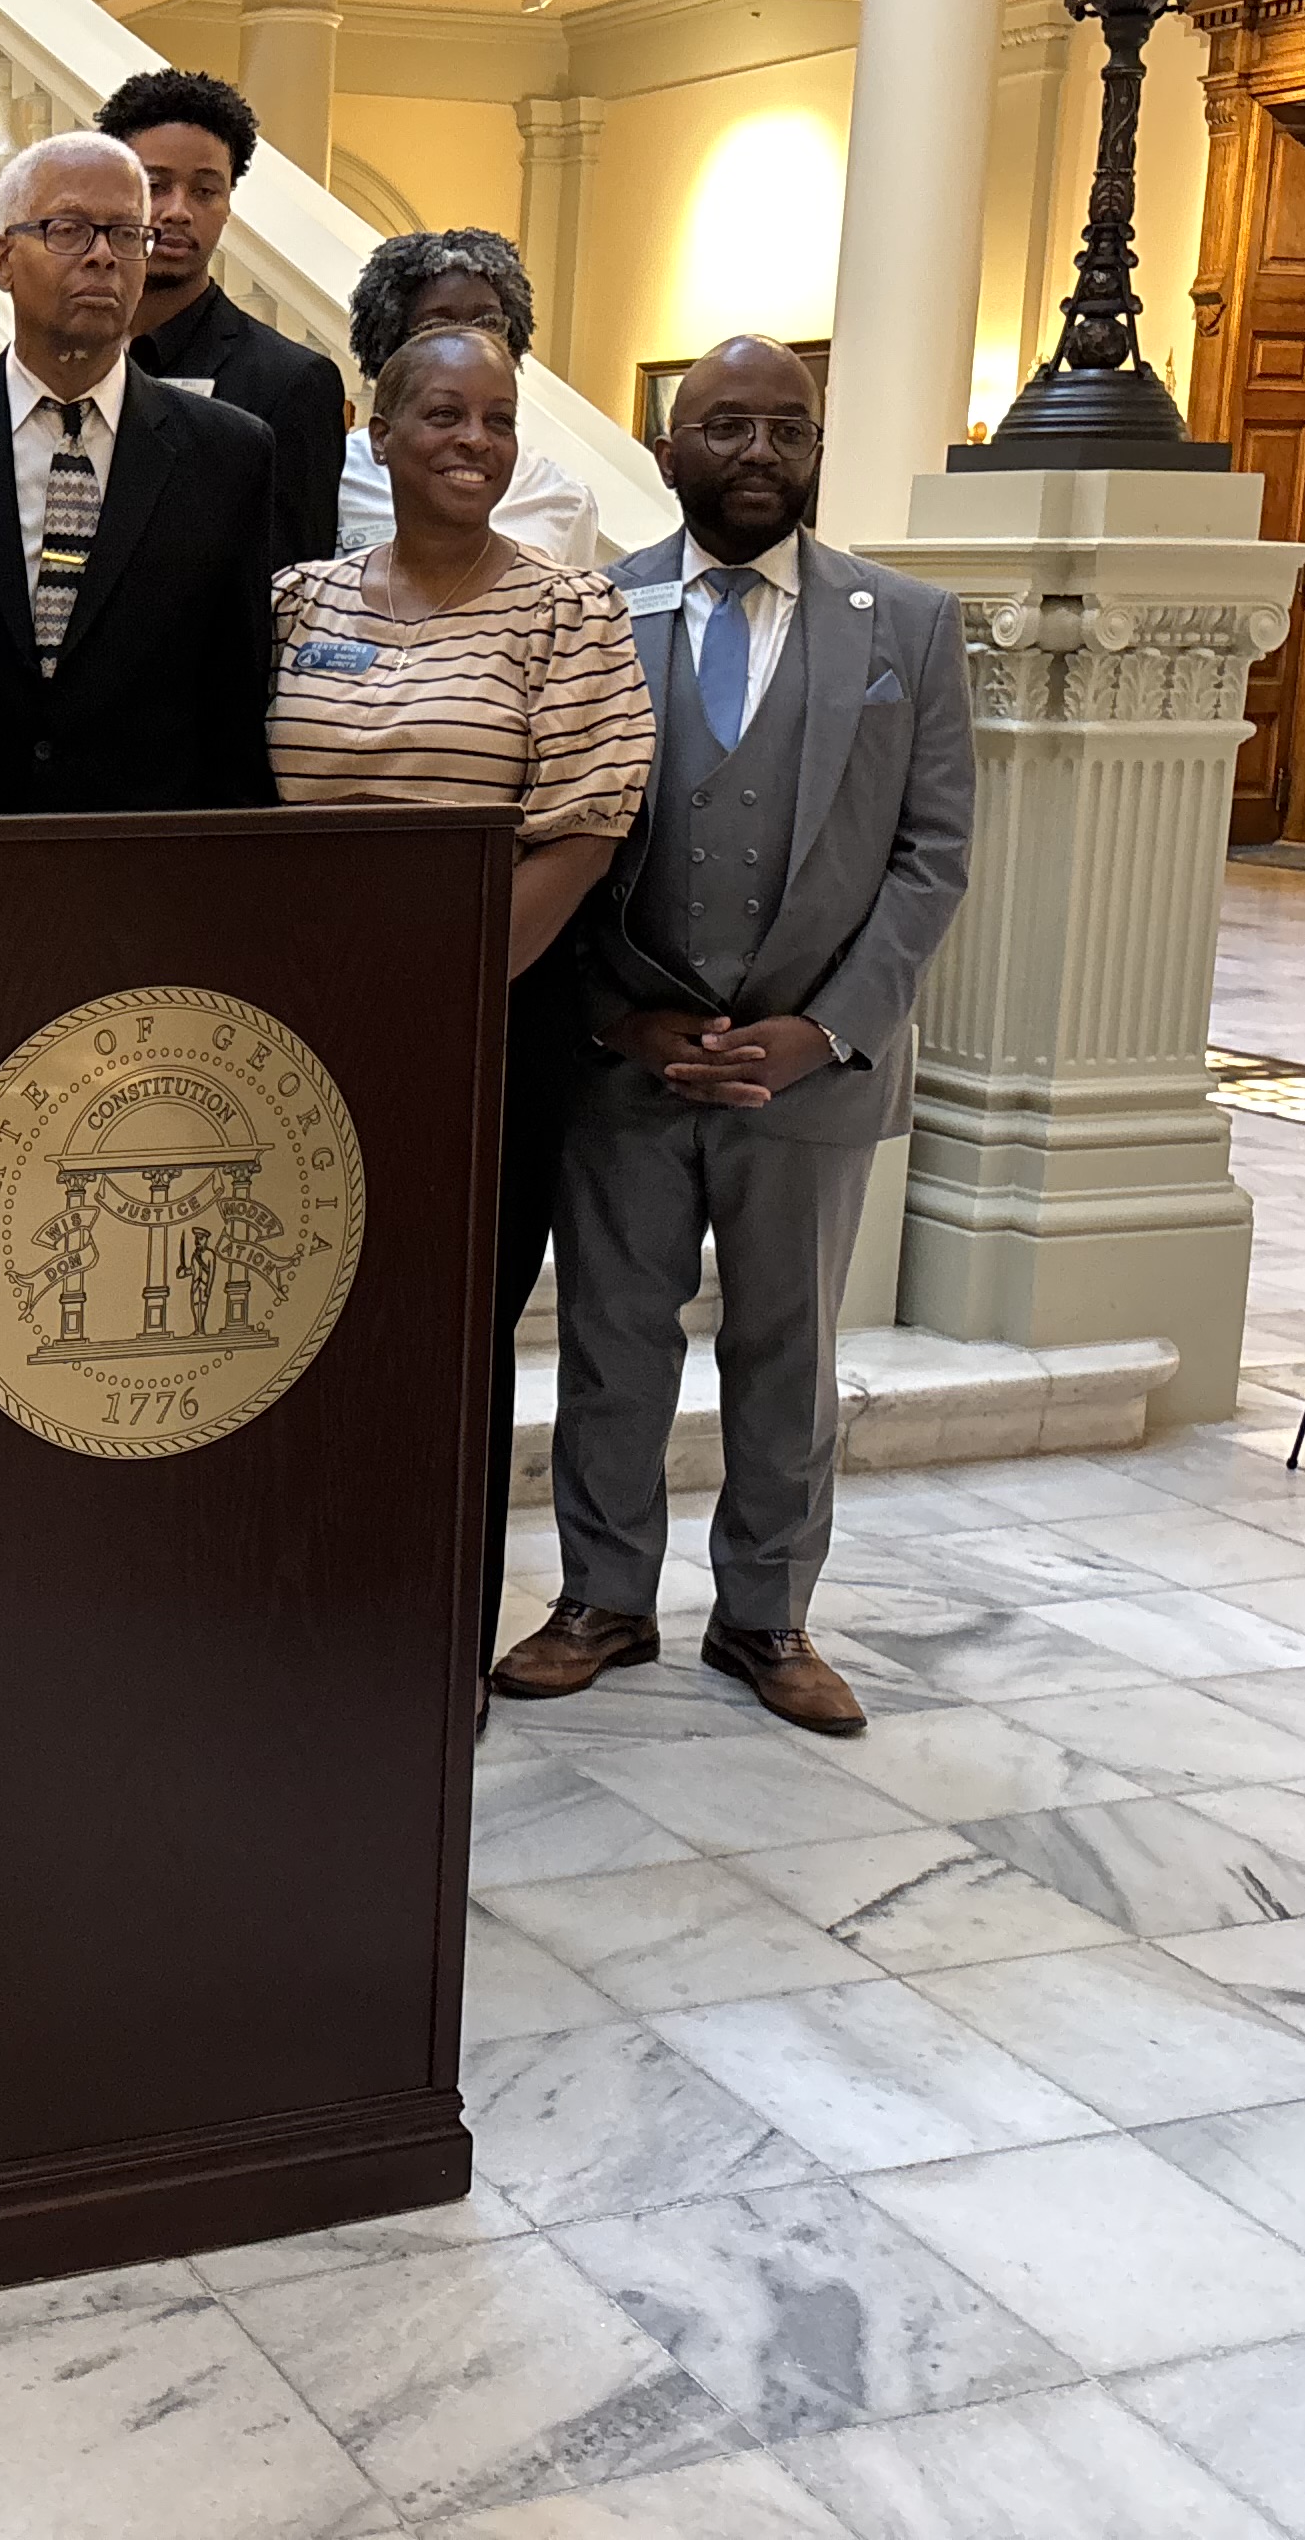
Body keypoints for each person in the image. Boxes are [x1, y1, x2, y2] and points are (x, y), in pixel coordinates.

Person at [493, 337, 973, 1739]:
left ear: (818, 447)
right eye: (726, 425)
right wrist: (614, 1017)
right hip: (622, 1063)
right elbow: (547, 832)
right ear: (666, 446)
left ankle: (766, 1616)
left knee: (787, 1351)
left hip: (807, 1074)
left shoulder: (909, 625)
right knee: (611, 1342)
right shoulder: (588, 612)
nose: (760, 451)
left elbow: (933, 857)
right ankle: (603, 1599)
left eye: (788, 427)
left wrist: (823, 1030)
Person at [271, 325, 653, 1706]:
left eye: (497, 419)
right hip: (301, 1034)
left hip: (486, 1031)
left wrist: (431, 1001)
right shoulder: (299, 602)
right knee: (297, 1331)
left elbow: (584, 830)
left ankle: (433, 1666)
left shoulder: (570, 614)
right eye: (442, 414)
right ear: (378, 433)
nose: (473, 443)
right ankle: (298, 1624)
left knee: (451, 1341)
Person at [0, 133, 277, 813]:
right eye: (69, 230)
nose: (103, 255)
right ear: (2, 260)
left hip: (143, 850)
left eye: (126, 235)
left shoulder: (227, 453)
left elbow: (234, 696)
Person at [101, 68, 348, 570]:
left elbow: (289, 583)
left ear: (228, 206)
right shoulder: (73, 353)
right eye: (155, 185)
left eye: (205, 191)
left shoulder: (291, 383)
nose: (178, 211)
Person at [335, 229, 604, 569]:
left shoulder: (560, 498)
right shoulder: (338, 474)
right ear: (391, 344)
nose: (468, 341)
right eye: (437, 325)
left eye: (488, 323)